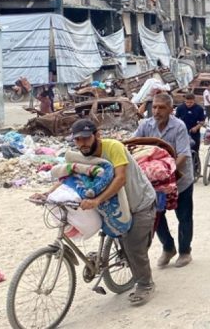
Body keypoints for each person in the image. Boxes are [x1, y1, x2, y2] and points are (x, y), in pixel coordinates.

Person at [36, 119, 157, 305]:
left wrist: (97, 200)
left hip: (139, 201)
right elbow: (70, 177)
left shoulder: (113, 148)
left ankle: (145, 284)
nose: (82, 143)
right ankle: (104, 258)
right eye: (77, 140)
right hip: (115, 203)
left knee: (134, 246)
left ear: (97, 135)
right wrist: (47, 194)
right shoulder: (81, 156)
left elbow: (120, 178)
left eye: (86, 138)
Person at [134, 93, 195, 268]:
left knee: (183, 216)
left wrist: (169, 173)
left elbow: (183, 153)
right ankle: (168, 248)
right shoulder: (145, 125)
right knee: (156, 216)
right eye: (154, 107)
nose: (157, 111)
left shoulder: (179, 126)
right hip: (154, 183)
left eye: (161, 107)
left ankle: (185, 252)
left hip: (180, 180)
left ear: (170, 109)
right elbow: (134, 144)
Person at [175, 93, 205, 161]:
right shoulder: (180, 108)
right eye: (187, 102)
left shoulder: (199, 109)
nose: (188, 104)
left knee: (195, 150)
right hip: (182, 132)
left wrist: (196, 127)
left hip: (194, 133)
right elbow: (176, 119)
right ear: (184, 101)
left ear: (194, 101)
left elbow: (202, 121)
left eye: (191, 102)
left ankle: (196, 168)